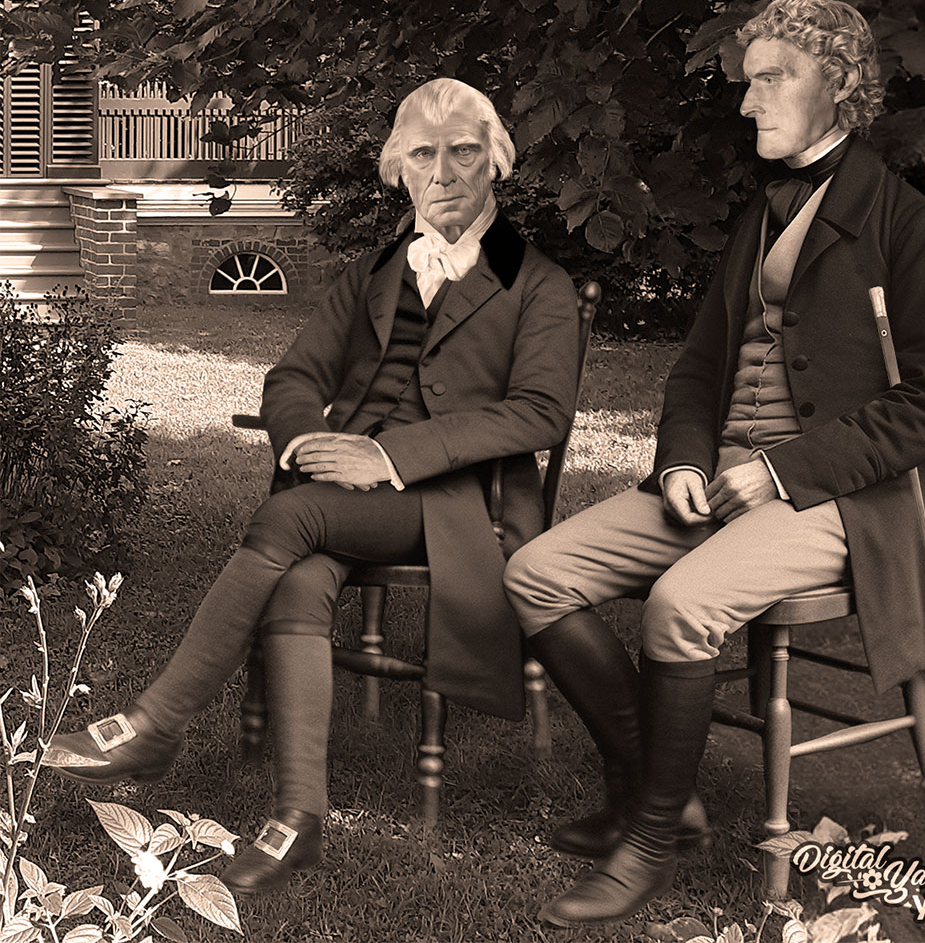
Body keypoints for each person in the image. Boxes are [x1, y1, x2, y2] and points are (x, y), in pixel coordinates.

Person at [45, 78, 581, 895]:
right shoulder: (373, 272)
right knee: (298, 574)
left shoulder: (538, 282)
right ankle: (298, 821)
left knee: (289, 519)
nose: (445, 173)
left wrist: (389, 456)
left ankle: (156, 723)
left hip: (456, 502)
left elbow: (540, 413)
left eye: (465, 152)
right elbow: (294, 374)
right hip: (346, 493)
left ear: (496, 163)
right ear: (398, 169)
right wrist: (305, 438)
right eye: (423, 155)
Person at [503, 0, 925, 928]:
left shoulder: (910, 227)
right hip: (719, 477)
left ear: (838, 85)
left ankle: (644, 846)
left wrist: (783, 472)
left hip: (846, 499)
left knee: (682, 605)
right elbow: (700, 369)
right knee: (536, 572)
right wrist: (681, 458)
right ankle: (662, 801)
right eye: (747, 81)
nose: (749, 101)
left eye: (773, 78)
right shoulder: (760, 217)